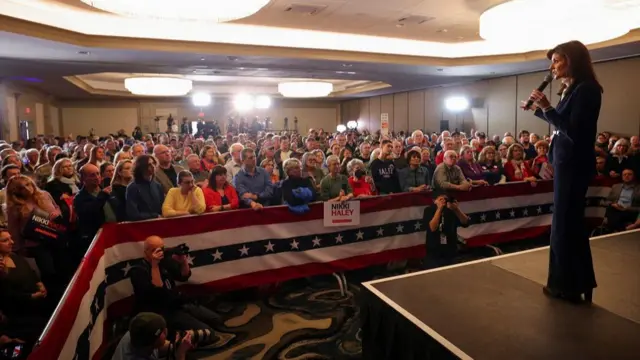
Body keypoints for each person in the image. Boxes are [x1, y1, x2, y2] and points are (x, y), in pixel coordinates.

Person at [522, 40, 602, 303]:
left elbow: (574, 130)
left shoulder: (587, 90)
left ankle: (565, 284)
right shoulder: (571, 89)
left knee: (565, 226)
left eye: (557, 60)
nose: (552, 66)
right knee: (567, 225)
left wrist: (547, 107)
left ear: (573, 60)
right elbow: (562, 124)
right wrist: (540, 109)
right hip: (566, 163)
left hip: (574, 164)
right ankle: (574, 282)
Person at [111, 312, 192, 360]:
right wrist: (181, 354)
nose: (166, 331)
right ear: (154, 341)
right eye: (162, 332)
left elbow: (157, 347)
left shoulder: (136, 334)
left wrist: (177, 345)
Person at [422, 190, 469, 269]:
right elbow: (432, 228)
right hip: (434, 252)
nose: (443, 202)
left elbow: (465, 223)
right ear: (434, 200)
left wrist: (456, 209)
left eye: (445, 199)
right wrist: (439, 209)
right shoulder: (429, 210)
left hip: (451, 250)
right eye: (441, 199)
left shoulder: (451, 210)